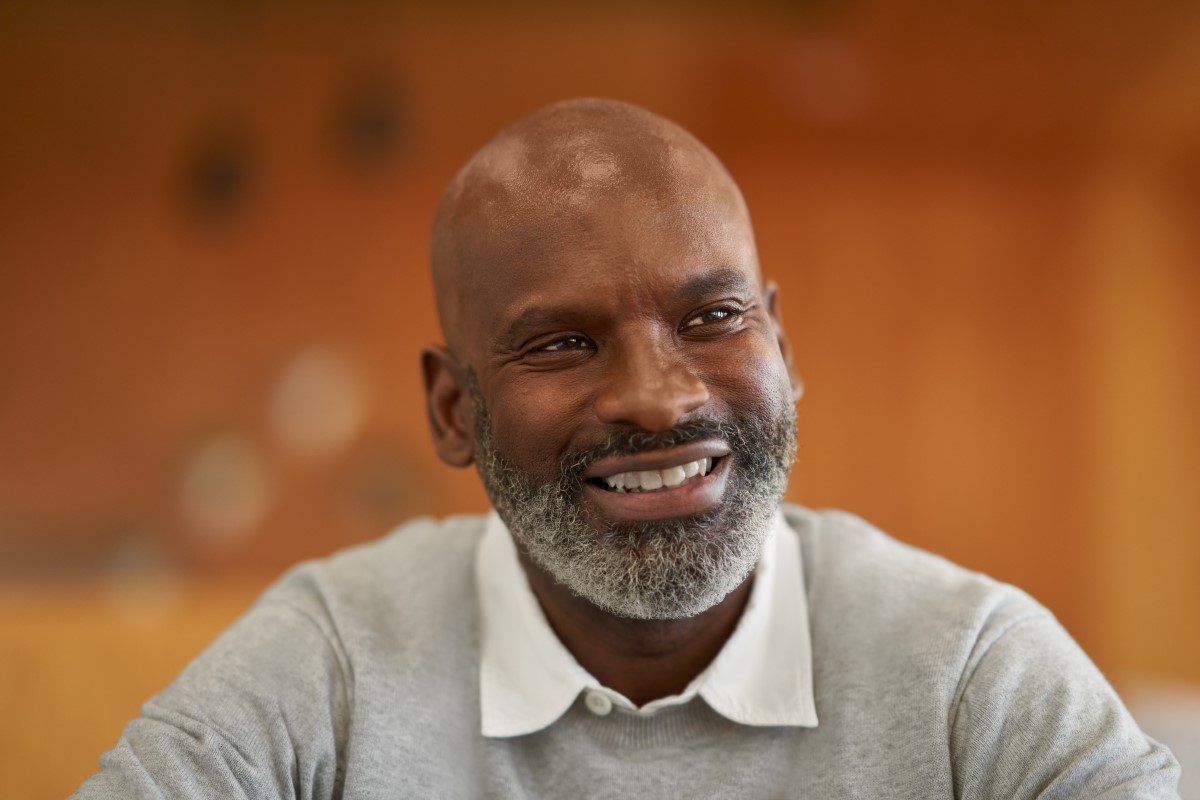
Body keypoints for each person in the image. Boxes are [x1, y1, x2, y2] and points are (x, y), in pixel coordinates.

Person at [74, 98, 1180, 799]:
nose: (658, 399)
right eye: (562, 342)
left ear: (783, 347)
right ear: (455, 410)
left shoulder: (967, 666)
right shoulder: (334, 657)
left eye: (713, 319)